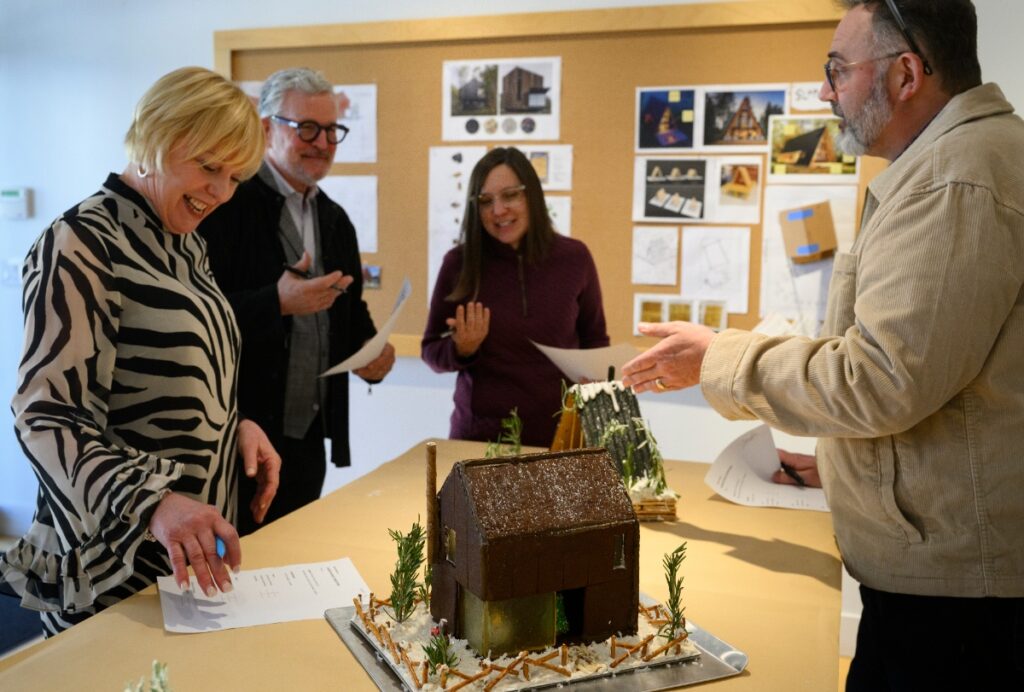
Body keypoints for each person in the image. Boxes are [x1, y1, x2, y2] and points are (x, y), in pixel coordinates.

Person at [622, 1, 1024, 688]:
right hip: (952, 581)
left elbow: (880, 379)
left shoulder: (952, 180)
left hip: (954, 610)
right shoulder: (960, 162)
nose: (824, 92)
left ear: (906, 74)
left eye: (837, 70)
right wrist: (844, 463)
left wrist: (720, 357)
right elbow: (928, 378)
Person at [0, 67, 281, 636]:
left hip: (184, 564)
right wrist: (152, 503)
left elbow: (176, 374)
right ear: (157, 134)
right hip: (114, 567)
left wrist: (234, 424)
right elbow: (45, 416)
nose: (221, 192)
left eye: (234, 176)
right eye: (208, 167)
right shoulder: (81, 240)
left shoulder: (184, 244)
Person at [199, 68, 395, 536]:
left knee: (296, 558)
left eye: (332, 130)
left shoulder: (335, 219)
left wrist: (373, 354)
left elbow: (348, 310)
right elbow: (198, 314)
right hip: (236, 435)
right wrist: (276, 303)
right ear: (266, 128)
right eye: (306, 127)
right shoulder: (227, 204)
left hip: (308, 439)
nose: (323, 142)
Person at [422, 147, 609, 447]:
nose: (498, 210)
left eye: (510, 195)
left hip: (562, 439)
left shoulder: (575, 258)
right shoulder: (459, 264)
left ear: (531, 196)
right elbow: (431, 351)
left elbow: (596, 341)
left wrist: (598, 380)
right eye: (485, 201)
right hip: (480, 441)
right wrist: (462, 349)